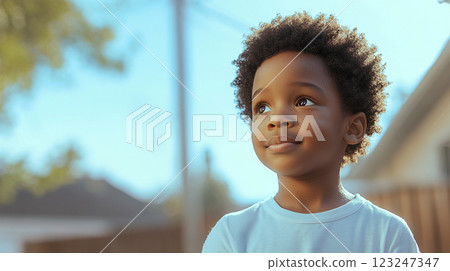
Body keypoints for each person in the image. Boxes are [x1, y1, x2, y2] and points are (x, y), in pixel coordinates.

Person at [202, 12, 419, 253]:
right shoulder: (232, 236)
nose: (276, 119)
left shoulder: (386, 234)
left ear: (353, 128)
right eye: (262, 107)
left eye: (303, 101)